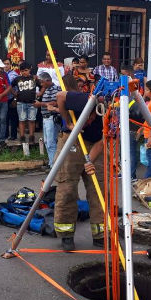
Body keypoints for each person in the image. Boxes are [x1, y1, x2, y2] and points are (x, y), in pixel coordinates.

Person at [53, 74, 104, 251]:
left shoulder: (112, 113)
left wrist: (89, 160)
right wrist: (67, 121)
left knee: (99, 190)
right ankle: (66, 234)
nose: (90, 120)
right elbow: (60, 96)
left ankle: (100, 234)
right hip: (72, 140)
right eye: (90, 117)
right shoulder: (83, 100)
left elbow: (103, 141)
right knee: (67, 187)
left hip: (95, 145)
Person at [35, 72, 61, 166]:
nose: (41, 84)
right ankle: (51, 163)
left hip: (52, 117)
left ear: (47, 80)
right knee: (47, 142)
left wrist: (40, 104)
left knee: (51, 142)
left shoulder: (56, 89)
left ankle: (54, 165)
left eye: (42, 82)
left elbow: (56, 103)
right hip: (45, 118)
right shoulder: (45, 89)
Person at [12, 62, 37, 143]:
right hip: (21, 102)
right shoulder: (17, 79)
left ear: (29, 70)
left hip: (32, 102)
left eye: (26, 70)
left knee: (32, 120)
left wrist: (40, 93)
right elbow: (10, 86)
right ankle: (22, 137)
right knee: (22, 120)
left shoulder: (34, 78)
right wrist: (14, 93)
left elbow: (42, 85)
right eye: (22, 71)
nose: (24, 72)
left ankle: (31, 136)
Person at [3, 58, 19, 141]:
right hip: (3, 99)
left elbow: (17, 88)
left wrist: (15, 99)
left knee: (13, 118)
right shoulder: (0, 74)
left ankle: (13, 135)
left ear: (10, 65)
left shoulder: (15, 75)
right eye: (4, 63)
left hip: (11, 98)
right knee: (5, 118)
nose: (6, 65)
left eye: (7, 63)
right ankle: (5, 135)